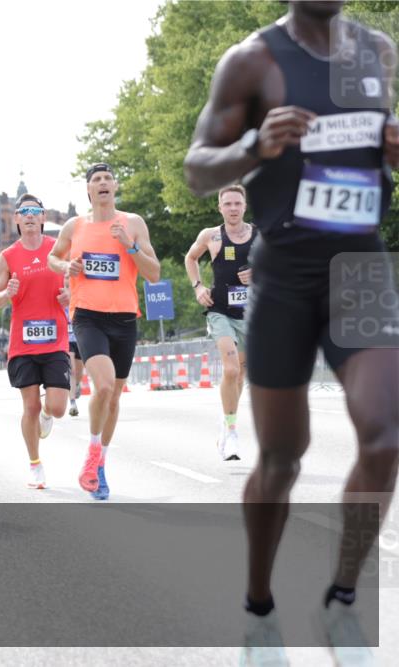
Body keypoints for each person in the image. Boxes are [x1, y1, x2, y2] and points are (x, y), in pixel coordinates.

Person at [183, 2, 399, 663]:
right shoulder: (252, 60)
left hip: (360, 267)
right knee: (282, 456)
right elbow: (197, 167)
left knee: (388, 433)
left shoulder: (377, 51)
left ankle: (340, 599)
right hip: (284, 273)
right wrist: (254, 146)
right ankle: (259, 608)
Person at [48, 163, 161, 500]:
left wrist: (130, 245)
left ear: (115, 187)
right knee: (105, 385)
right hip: (87, 316)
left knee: (113, 399)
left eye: (107, 179)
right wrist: (66, 265)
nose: (102, 183)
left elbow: (153, 273)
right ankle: (93, 453)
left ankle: (100, 465)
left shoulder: (133, 223)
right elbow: (54, 258)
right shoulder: (75, 225)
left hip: (125, 318)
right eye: (96, 180)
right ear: (88, 190)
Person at [0, 193, 71, 489]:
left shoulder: (57, 249)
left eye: (35, 211)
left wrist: (69, 295)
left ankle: (50, 415)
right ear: (17, 219)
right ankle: (35, 465)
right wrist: (6, 294)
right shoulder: (8, 256)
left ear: (42, 217)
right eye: (24, 212)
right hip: (22, 345)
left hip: (55, 340)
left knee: (58, 407)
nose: (29, 216)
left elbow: (76, 283)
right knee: (30, 407)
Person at [184, 184, 257, 461]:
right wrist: (198, 287)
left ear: (245, 206)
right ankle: (233, 433)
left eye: (237, 203)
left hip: (251, 314)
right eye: (228, 204)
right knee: (229, 370)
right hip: (220, 311)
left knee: (240, 375)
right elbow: (191, 258)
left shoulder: (260, 236)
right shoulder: (212, 236)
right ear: (220, 208)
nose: (233, 208)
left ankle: (226, 422)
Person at [67, 312, 83, 417]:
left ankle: (77, 384)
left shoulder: (79, 299)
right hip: (67, 340)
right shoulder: (62, 300)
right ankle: (72, 403)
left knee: (78, 372)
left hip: (81, 339)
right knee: (72, 370)